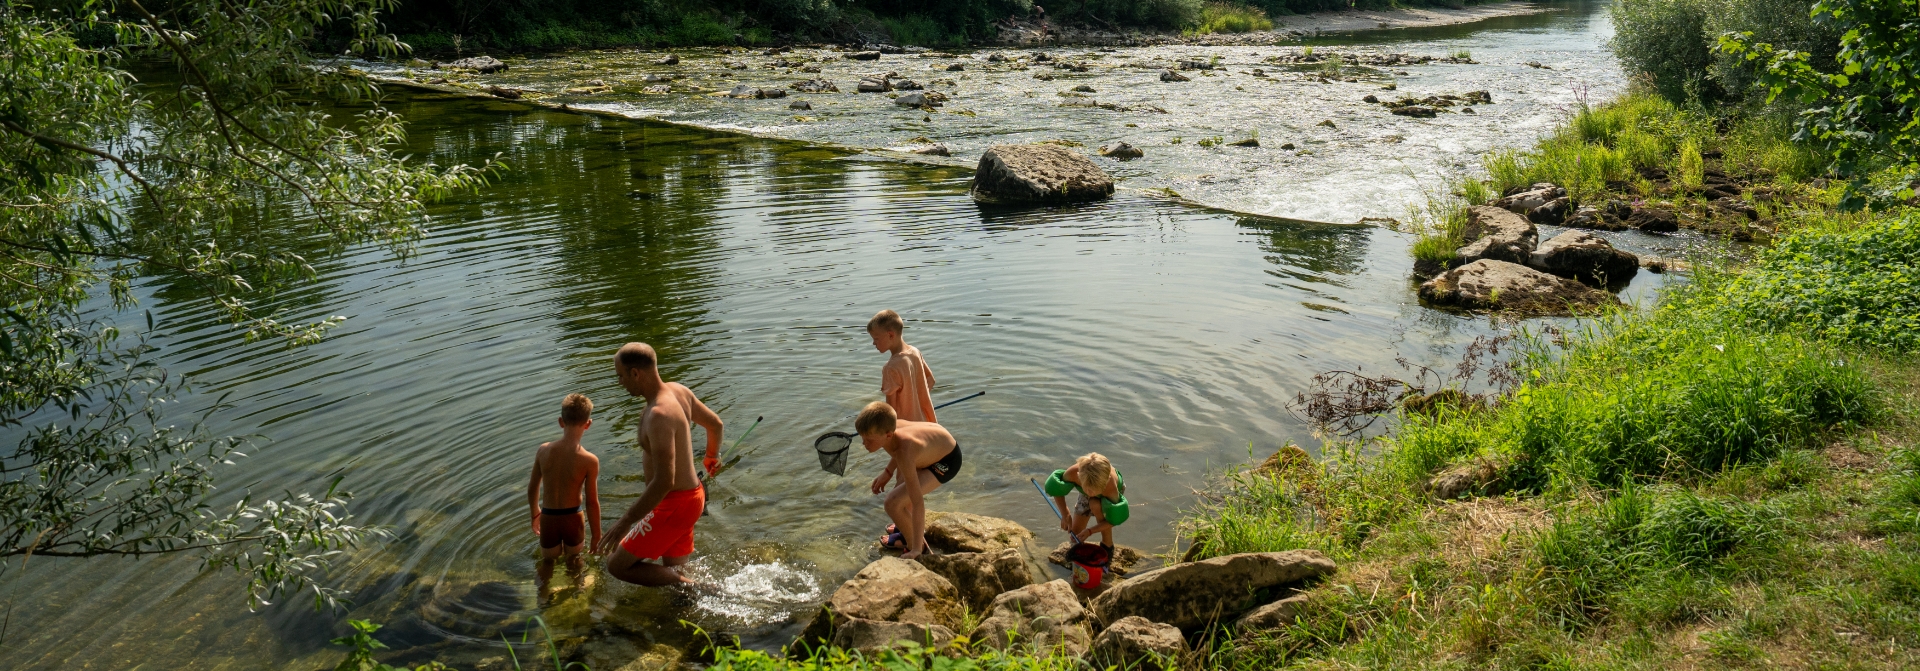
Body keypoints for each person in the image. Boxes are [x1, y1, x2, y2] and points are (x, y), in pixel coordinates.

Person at [596, 342, 724, 586]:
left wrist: (625, 521)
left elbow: (665, 480)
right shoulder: (678, 391)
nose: (620, 383)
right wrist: (711, 456)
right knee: (675, 574)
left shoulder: (659, 414)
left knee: (617, 565)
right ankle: (691, 595)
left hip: (674, 504)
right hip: (691, 497)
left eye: (621, 377)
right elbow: (715, 425)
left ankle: (707, 589)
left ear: (636, 373)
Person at [858, 401, 959, 559]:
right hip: (931, 447)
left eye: (869, 440)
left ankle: (918, 548)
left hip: (946, 461)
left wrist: (916, 549)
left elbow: (918, 502)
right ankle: (905, 529)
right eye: (862, 438)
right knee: (899, 490)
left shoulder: (905, 451)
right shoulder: (889, 428)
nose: (864, 444)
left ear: (888, 435)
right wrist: (888, 471)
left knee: (892, 502)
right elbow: (897, 448)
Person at [526, 393, 602, 599]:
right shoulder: (589, 460)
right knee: (575, 561)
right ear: (588, 424)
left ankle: (542, 596)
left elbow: (532, 488)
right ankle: (578, 594)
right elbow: (592, 501)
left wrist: (535, 514)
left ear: (561, 422)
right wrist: (596, 535)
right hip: (573, 518)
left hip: (549, 518)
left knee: (547, 562)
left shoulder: (543, 451)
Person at [1043, 453, 1129, 549]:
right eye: (1088, 490)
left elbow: (1113, 520)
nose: (1091, 494)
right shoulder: (1073, 473)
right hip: (1085, 486)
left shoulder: (1110, 488)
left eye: (1094, 491)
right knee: (1076, 534)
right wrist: (1065, 514)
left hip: (1108, 494)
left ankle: (1107, 544)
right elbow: (1057, 489)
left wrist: (1090, 531)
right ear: (1079, 476)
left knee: (1095, 505)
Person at [868, 309, 937, 423]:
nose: (873, 343)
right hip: (928, 424)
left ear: (890, 335)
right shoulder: (915, 352)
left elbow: (891, 411)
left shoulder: (890, 368)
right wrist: (916, 403)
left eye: (876, 339)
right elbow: (930, 380)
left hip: (907, 430)